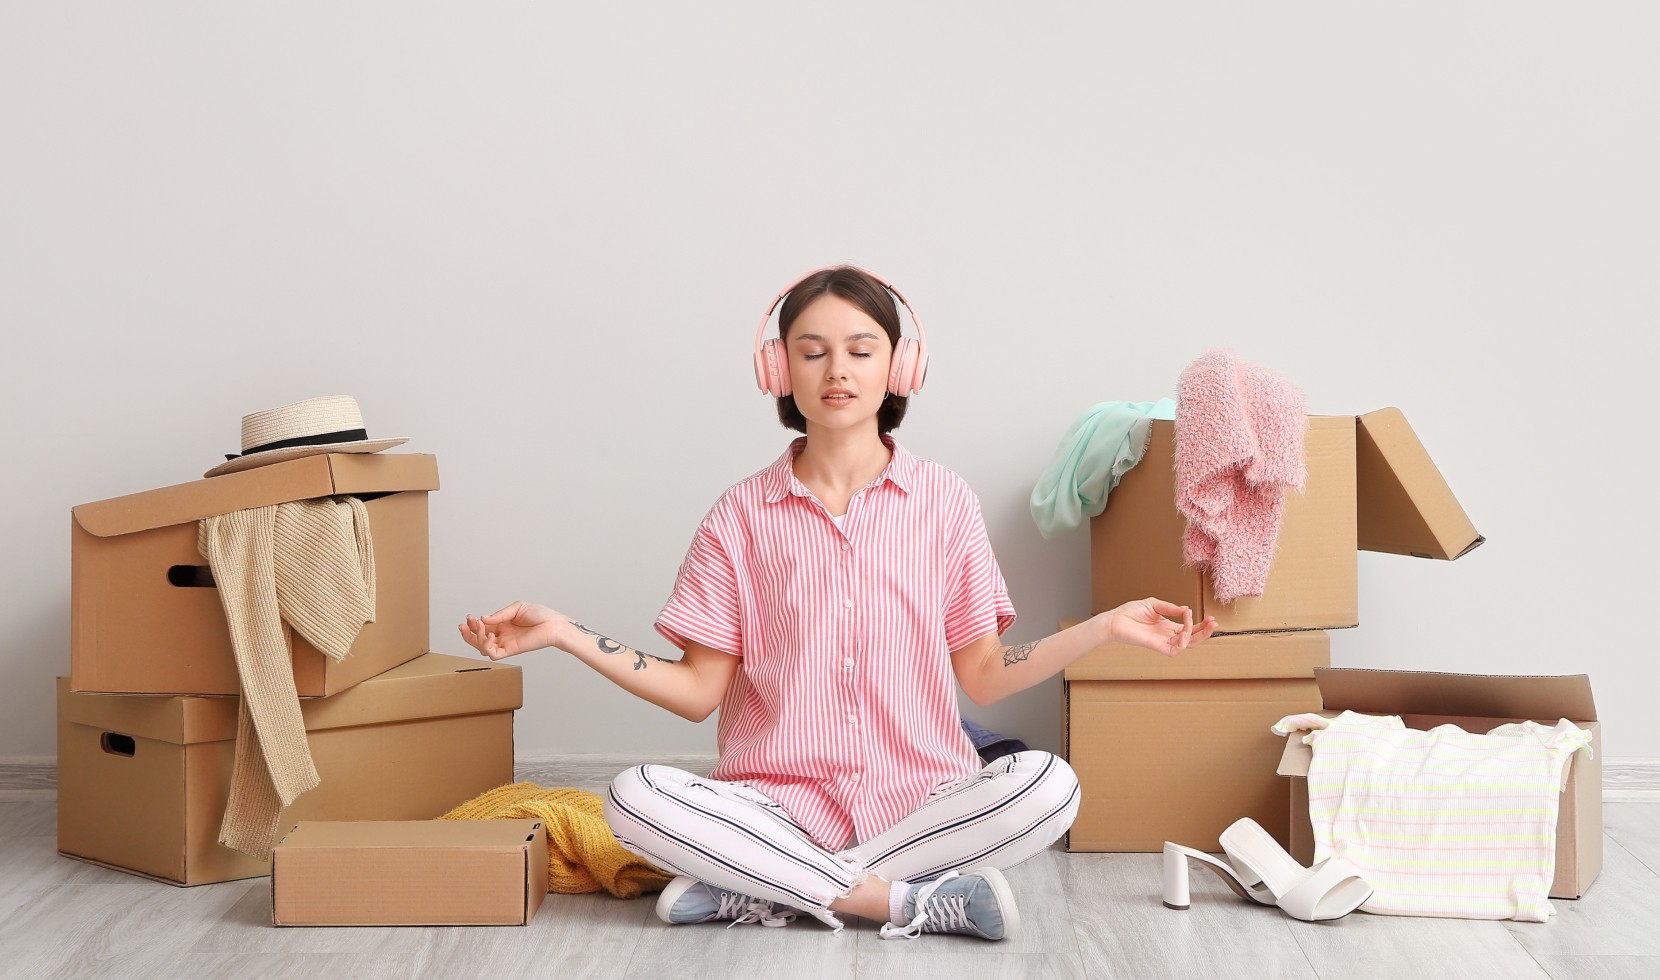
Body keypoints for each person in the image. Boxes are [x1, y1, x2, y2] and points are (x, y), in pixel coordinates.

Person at [457, 265, 1217, 941]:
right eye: (812, 351)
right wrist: (564, 632)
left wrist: (1105, 627)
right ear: (778, 368)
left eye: (860, 349)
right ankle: (894, 901)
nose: (837, 371)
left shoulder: (944, 503)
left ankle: (769, 888)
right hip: (774, 807)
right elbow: (697, 693)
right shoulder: (740, 515)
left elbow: (982, 675)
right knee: (632, 796)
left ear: (900, 366)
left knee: (1052, 787)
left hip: (922, 801)